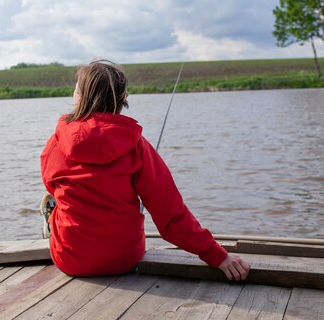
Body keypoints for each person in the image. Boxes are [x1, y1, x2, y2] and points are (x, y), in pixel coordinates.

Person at [40, 59, 250, 281]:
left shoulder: (55, 143)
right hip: (124, 259)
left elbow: (50, 184)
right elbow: (171, 217)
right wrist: (217, 256)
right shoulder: (136, 145)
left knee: (57, 201)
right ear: (122, 101)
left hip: (71, 260)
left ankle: (50, 220)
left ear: (79, 97)